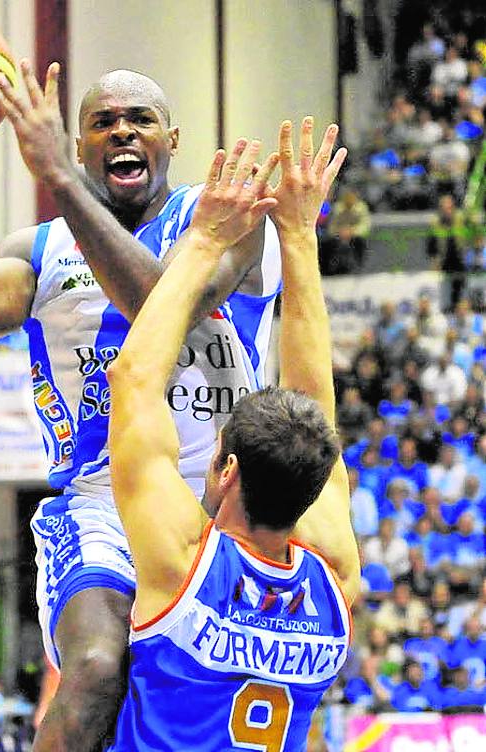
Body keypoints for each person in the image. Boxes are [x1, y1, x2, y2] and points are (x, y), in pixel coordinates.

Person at [0, 44, 282, 749]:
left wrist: (57, 177)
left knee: (205, 703)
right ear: (81, 145)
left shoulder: (224, 216)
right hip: (102, 504)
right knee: (92, 668)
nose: (122, 131)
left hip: (225, 504)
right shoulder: (37, 249)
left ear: (172, 139)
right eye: (102, 122)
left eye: (140, 118)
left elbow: (162, 309)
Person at [104, 119, 358, 750]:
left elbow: (132, 377)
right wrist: (297, 237)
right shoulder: (333, 580)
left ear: (227, 469)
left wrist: (204, 242)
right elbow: (313, 404)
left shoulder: (185, 566)